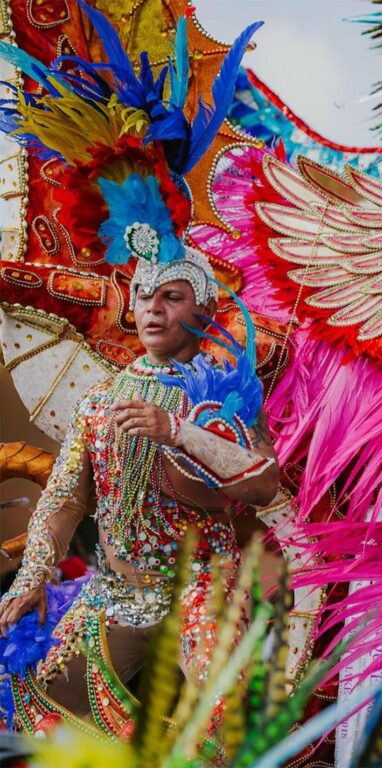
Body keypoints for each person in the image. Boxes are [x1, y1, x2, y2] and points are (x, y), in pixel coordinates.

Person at [0, 247, 279, 732]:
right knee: (31, 701)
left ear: (206, 310)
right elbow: (65, 498)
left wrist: (178, 430)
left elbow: (263, 484)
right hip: (115, 594)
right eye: (144, 295)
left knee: (225, 724)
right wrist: (32, 578)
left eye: (171, 296)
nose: (153, 308)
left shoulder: (229, 394)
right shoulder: (99, 401)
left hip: (203, 593)